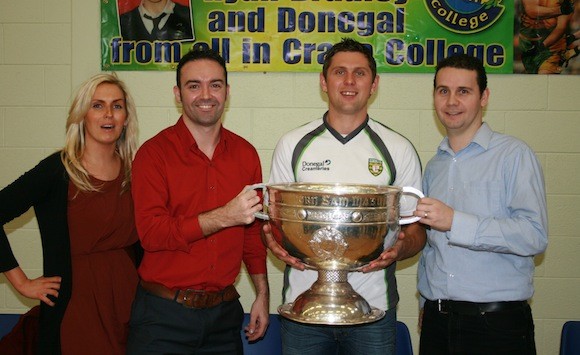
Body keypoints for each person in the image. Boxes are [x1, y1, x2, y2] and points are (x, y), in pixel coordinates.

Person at [262, 38, 425, 355]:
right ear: (324, 81)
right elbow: (274, 223)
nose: (349, 82)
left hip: (372, 311)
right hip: (303, 308)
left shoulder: (398, 148)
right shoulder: (292, 144)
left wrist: (401, 247)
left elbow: (416, 229)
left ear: (374, 84)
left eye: (360, 73)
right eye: (339, 72)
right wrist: (271, 241)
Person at [127, 47, 269, 354]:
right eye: (194, 86)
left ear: (227, 92)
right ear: (178, 94)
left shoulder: (246, 155)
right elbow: (151, 234)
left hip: (223, 319)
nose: (206, 95)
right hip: (162, 319)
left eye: (215, 85)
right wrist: (224, 216)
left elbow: (252, 236)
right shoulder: (153, 155)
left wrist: (262, 293)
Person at [415, 54, 548, 354]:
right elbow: (431, 247)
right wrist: (426, 302)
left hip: (496, 326)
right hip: (438, 322)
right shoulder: (434, 166)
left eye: (464, 91)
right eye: (443, 90)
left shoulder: (514, 155)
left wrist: (456, 222)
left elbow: (534, 235)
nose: (451, 101)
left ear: (484, 97)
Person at [0, 73, 141, 354]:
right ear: (82, 115)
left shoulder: (135, 172)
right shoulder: (57, 170)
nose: (108, 114)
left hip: (130, 306)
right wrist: (21, 282)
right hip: (77, 307)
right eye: (97, 105)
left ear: (126, 117)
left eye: (117, 105)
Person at [519, 0, 577, 73]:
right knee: (531, 83)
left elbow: (561, 27)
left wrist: (542, 46)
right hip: (528, 42)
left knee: (544, 80)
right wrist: (560, 10)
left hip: (552, 46)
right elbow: (531, 10)